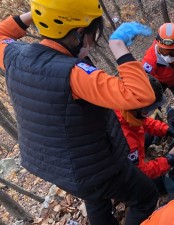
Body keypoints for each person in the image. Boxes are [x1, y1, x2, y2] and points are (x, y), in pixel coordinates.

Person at [0, 1, 159, 224]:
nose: (93, 43)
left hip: (53, 166)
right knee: (145, 196)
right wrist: (119, 47)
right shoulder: (74, 75)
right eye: (93, 34)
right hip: (94, 167)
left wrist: (44, 13)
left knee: (95, 198)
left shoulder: (15, 56)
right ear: (79, 32)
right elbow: (141, 95)